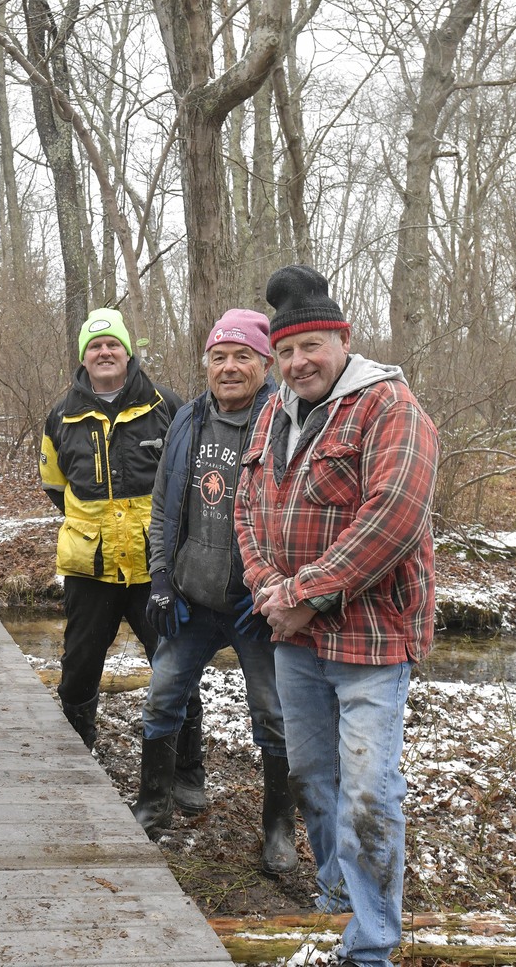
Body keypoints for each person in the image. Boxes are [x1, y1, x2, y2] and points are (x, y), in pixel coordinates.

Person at [235, 265, 439, 967]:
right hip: (294, 643)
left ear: (341, 340)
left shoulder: (391, 407)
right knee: (312, 782)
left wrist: (302, 596)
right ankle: (334, 900)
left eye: (310, 347)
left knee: (368, 795)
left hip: (371, 641)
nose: (298, 363)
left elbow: (394, 520)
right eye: (286, 353)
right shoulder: (273, 411)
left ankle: (371, 945)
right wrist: (269, 589)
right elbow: (246, 509)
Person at [132, 309, 297, 876]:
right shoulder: (187, 420)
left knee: (273, 716)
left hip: (258, 610)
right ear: (206, 363)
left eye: (243, 356)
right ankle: (153, 804)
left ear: (264, 363)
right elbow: (162, 506)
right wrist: (159, 580)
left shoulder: (285, 421)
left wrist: (276, 593)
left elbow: (301, 516)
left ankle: (279, 827)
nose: (229, 368)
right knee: (161, 698)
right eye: (219, 357)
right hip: (191, 605)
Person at [39, 309, 202, 791]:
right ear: (83, 357)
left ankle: (187, 772)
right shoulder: (61, 414)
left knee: (175, 668)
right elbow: (54, 484)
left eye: (113, 344)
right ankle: (77, 754)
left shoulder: (166, 405)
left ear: (128, 352)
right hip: (91, 568)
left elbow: (190, 480)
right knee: (78, 668)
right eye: (95, 346)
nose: (105, 352)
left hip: (158, 568)